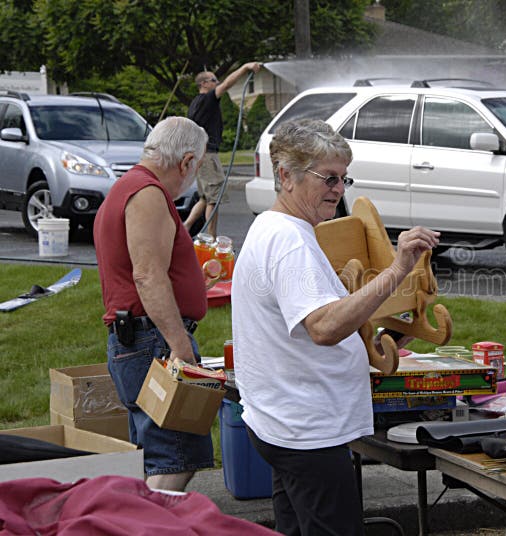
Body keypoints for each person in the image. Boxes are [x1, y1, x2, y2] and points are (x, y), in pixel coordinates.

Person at [231, 119, 440, 536]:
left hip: (284, 423)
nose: (338, 189)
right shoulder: (289, 240)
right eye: (328, 178)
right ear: (286, 176)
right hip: (305, 430)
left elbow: (322, 317)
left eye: (343, 178)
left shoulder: (275, 228)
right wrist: (399, 268)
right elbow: (324, 327)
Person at [94, 116, 212, 492]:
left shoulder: (130, 186)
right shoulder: (147, 192)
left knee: (156, 454)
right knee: (174, 457)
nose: (193, 177)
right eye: (198, 166)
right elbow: (147, 275)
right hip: (153, 341)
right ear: (186, 162)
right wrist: (181, 348)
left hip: (141, 337)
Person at [183, 61, 261, 237]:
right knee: (214, 198)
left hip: (199, 155)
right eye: (213, 79)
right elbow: (226, 85)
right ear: (204, 84)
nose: (217, 82)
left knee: (205, 197)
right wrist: (245, 67)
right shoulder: (208, 99)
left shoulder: (195, 103)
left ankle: (186, 226)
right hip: (208, 155)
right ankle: (211, 238)